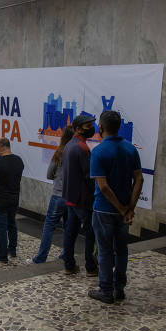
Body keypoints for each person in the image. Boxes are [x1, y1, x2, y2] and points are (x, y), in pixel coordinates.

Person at [88, 110, 143, 304]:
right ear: (119, 127)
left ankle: (105, 290)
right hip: (124, 211)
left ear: (100, 127)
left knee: (104, 251)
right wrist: (129, 208)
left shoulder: (98, 151)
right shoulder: (131, 149)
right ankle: (119, 289)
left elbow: (102, 186)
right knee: (121, 250)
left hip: (103, 210)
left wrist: (121, 209)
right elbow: (139, 179)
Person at [28, 126, 73, 265]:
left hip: (58, 195)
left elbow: (49, 174)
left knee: (49, 226)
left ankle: (41, 258)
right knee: (69, 226)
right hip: (72, 197)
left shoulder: (59, 153)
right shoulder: (79, 152)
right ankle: (66, 254)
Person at [62, 116, 98, 276]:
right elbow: (89, 175)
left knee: (70, 232)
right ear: (78, 129)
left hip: (70, 197)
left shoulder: (69, 145)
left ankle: (69, 265)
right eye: (88, 126)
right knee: (90, 233)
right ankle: (90, 267)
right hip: (83, 199)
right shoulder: (82, 147)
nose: (91, 128)